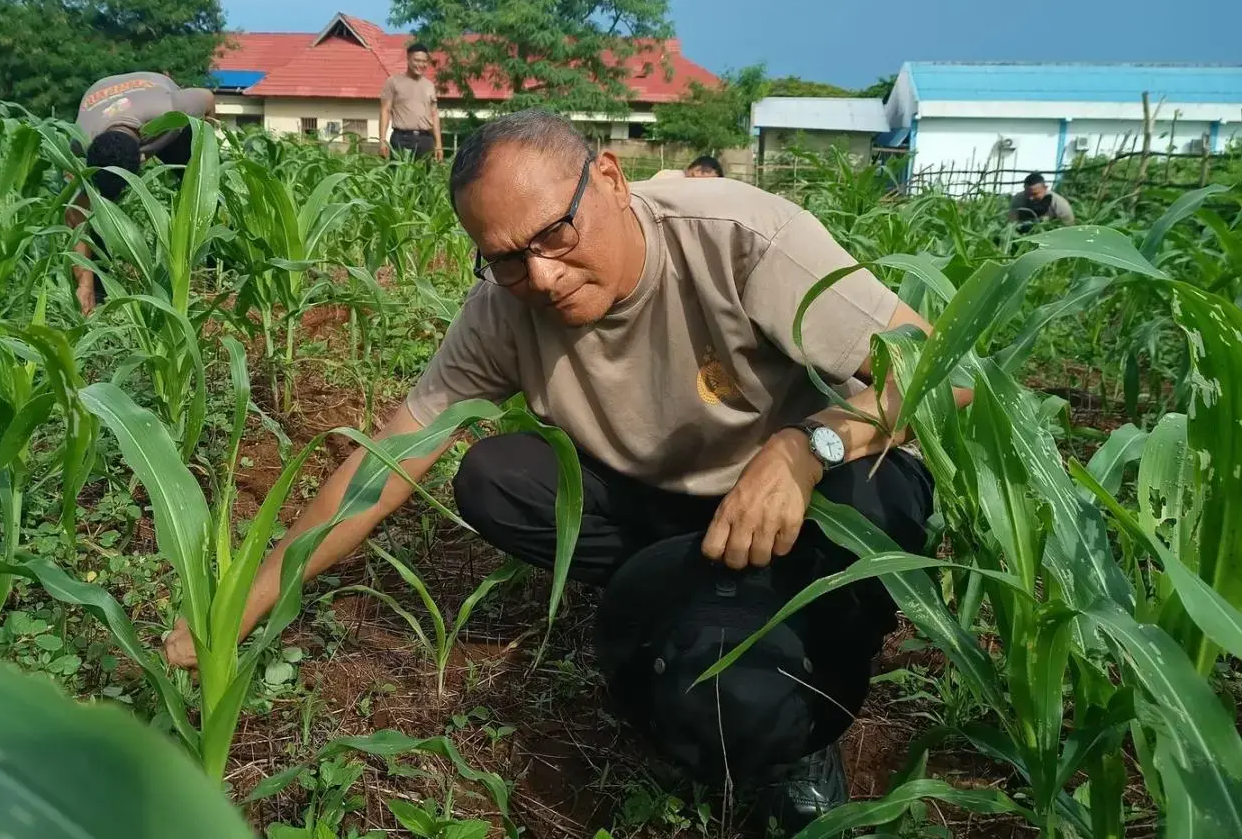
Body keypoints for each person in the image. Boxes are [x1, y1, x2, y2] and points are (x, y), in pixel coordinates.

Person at [164, 109, 962, 821]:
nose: (540, 277)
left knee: (742, 694)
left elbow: (940, 374)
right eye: (505, 258)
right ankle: (691, 588)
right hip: (675, 500)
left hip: (810, 493)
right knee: (495, 476)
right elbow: (390, 459)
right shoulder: (504, 308)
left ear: (608, 179)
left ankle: (799, 725)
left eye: (554, 235)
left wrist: (806, 446)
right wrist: (250, 602)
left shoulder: (735, 236)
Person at [66, 72, 215, 315]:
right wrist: (84, 282)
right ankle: (98, 293)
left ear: (142, 159)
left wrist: (205, 145)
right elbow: (75, 214)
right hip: (101, 94)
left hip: (162, 119)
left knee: (203, 188)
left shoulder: (173, 108)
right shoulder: (80, 141)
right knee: (97, 209)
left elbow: (208, 99)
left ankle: (215, 267)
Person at [379, 43, 443, 163]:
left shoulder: (429, 86)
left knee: (423, 179)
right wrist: (382, 140)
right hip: (401, 139)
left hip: (425, 140)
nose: (421, 65)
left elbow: (434, 115)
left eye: (424, 61)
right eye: (417, 60)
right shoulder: (393, 82)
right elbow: (385, 110)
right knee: (399, 178)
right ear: (408, 59)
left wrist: (438, 144)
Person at [1009, 172, 1076, 233]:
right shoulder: (1018, 199)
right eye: (1027, 193)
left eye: (1035, 194)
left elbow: (1068, 229)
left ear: (1045, 188)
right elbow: (1011, 224)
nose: (1030, 198)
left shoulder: (1059, 204)